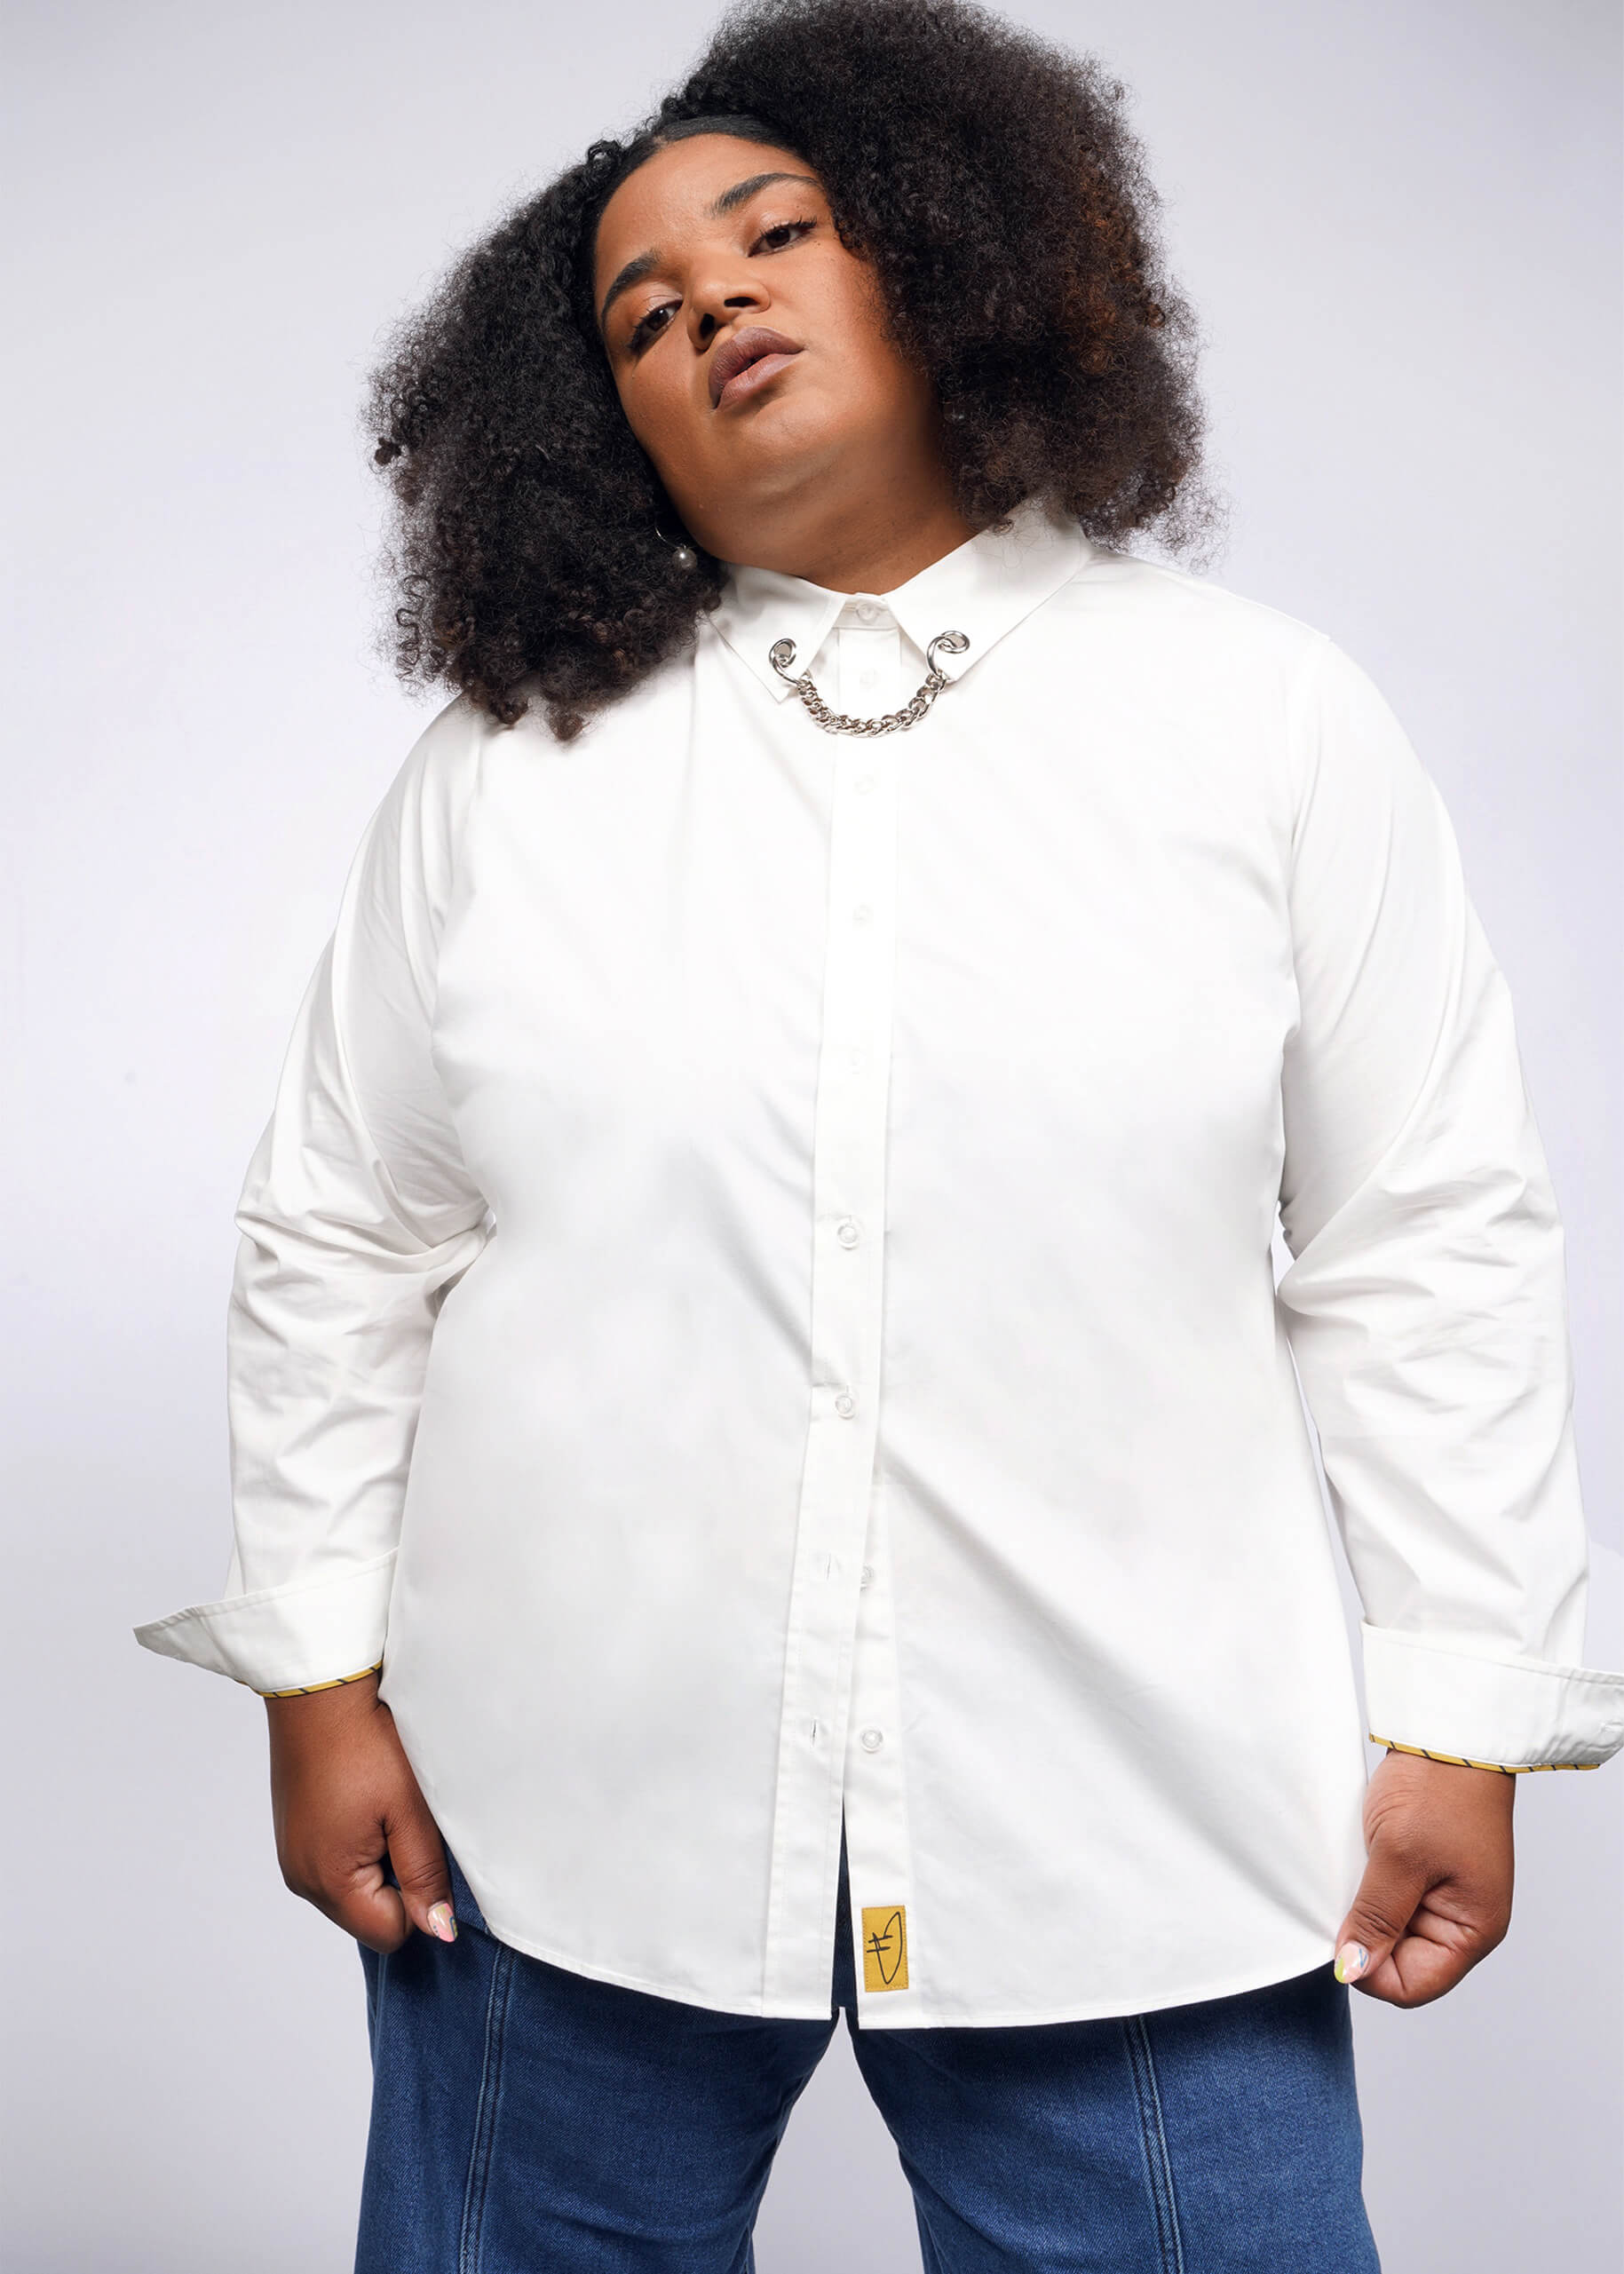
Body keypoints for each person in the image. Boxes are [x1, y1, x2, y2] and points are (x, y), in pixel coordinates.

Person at [133, 1, 1624, 2266]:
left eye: (775, 233)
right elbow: (343, 1235)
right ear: (595, 424)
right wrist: (320, 1684)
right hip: (550, 1828)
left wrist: (1462, 1708)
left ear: (937, 262)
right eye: (643, 310)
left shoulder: (1262, 721)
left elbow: (1425, 1234)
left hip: (1130, 1833)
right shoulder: (495, 782)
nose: (712, 297)